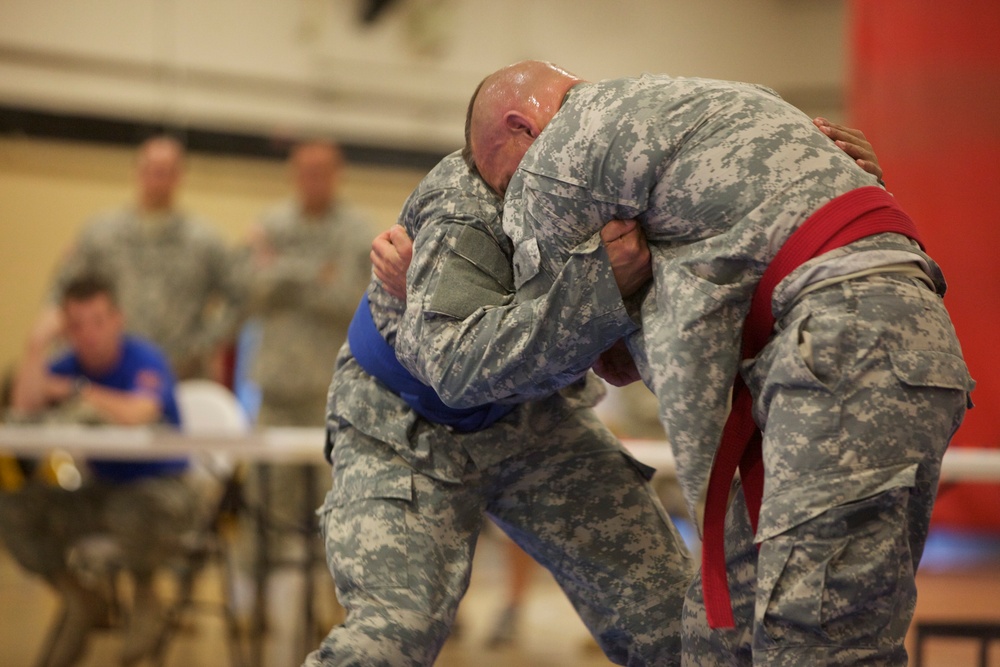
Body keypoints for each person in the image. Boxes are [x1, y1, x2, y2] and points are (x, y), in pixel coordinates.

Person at [421, 60, 974, 665]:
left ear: (521, 126)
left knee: (818, 641)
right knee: (722, 633)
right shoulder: (733, 99)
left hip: (843, 355)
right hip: (878, 345)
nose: (509, 200)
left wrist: (608, 294)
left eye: (501, 182)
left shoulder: (558, 162)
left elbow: (591, 355)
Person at [303, 151, 694, 667]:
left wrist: (604, 300)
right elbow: (463, 373)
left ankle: (513, 605)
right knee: (391, 637)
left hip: (537, 418)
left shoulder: (617, 204)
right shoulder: (460, 201)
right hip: (401, 424)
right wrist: (594, 296)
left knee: (676, 626)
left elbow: (620, 366)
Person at [0, 275, 201, 667]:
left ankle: (146, 595)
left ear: (118, 319)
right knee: (14, 507)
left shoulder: (144, 357)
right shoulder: (67, 363)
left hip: (162, 489)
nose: (89, 334)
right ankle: (79, 596)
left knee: (130, 510)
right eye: (76, 324)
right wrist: (35, 345)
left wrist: (77, 390)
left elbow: (139, 412)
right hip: (101, 488)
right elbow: (22, 413)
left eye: (98, 320)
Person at [236, 139, 373, 665]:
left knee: (331, 512)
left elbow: (351, 296)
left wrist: (282, 271)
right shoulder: (270, 219)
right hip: (274, 394)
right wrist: (309, 273)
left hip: (330, 396)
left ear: (336, 173)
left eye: (323, 170)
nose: (313, 178)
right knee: (261, 511)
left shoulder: (357, 231)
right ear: (294, 172)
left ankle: (329, 612)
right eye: (305, 170)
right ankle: (259, 608)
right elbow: (248, 288)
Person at [38, 135, 240, 381]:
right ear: (137, 171)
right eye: (151, 170)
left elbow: (239, 297)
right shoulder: (101, 234)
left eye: (166, 171)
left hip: (181, 373)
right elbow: (61, 292)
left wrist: (203, 344)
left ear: (179, 176)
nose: (157, 179)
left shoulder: (204, 240)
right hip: (112, 374)